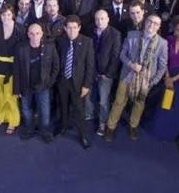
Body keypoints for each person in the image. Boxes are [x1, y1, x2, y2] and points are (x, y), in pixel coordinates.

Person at [103, 14, 168, 142]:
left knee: (139, 104)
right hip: (127, 75)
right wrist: (131, 64)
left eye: (156, 23)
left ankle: (133, 126)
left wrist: (152, 82)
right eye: (150, 21)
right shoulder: (132, 35)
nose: (152, 25)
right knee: (119, 101)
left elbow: (162, 66)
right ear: (145, 22)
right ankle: (110, 127)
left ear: (159, 27)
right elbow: (122, 54)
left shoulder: (162, 43)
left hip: (145, 81)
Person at [148, 16, 179, 141]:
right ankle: (158, 129)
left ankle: (171, 132)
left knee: (176, 104)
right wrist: (167, 77)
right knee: (163, 102)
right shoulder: (168, 40)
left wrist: (173, 79)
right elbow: (163, 59)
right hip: (167, 75)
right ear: (174, 30)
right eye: (178, 30)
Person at [14, 23, 59, 142]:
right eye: (32, 34)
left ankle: (45, 131)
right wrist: (17, 89)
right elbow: (16, 69)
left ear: (42, 34)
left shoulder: (50, 47)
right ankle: (29, 129)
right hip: (26, 86)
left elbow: (56, 67)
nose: (35, 36)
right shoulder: (21, 48)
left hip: (43, 86)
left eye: (37, 33)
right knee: (26, 109)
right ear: (28, 34)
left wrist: (49, 83)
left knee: (44, 110)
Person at [55, 16, 94, 149]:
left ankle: (82, 134)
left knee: (79, 109)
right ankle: (63, 127)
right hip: (63, 81)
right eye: (69, 28)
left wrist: (86, 85)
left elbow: (90, 66)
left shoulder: (87, 42)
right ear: (65, 28)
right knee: (63, 106)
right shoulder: (60, 41)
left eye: (74, 28)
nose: (72, 31)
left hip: (78, 83)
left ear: (79, 28)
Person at [0, 6, 23, 135]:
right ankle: (2, 116)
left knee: (10, 96)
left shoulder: (20, 29)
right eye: (3, 15)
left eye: (8, 15)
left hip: (12, 67)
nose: (6, 17)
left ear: (13, 15)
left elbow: (22, 49)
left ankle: (13, 121)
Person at [90, 9, 122, 136]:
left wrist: (108, 73)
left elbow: (115, 56)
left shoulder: (115, 34)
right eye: (97, 19)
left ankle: (102, 124)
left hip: (106, 74)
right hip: (92, 71)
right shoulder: (91, 31)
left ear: (108, 19)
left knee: (103, 100)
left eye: (102, 18)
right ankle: (90, 115)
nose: (99, 21)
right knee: (91, 96)